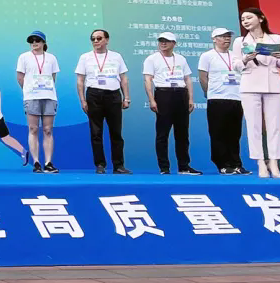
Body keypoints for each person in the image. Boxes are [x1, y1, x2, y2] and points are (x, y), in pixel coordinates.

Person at [233, 8, 280, 179]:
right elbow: (235, 65)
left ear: (261, 18)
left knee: (274, 126)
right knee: (253, 125)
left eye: (249, 17)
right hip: (250, 84)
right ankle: (260, 162)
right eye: (243, 19)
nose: (245, 21)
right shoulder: (240, 41)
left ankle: (274, 162)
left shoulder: (275, 38)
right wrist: (245, 59)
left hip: (273, 84)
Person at [74, 29, 132, 174]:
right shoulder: (85, 57)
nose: (95, 41)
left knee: (116, 132)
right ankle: (100, 165)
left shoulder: (116, 57)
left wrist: (126, 97)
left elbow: (123, 78)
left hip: (113, 95)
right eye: (93, 38)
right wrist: (82, 100)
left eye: (99, 38)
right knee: (96, 132)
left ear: (107, 40)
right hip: (94, 95)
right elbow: (80, 81)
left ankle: (118, 165)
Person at [143, 32, 200, 175]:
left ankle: (184, 166)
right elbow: (148, 80)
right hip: (163, 94)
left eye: (167, 41)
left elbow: (187, 79)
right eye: (161, 40)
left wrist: (190, 98)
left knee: (182, 133)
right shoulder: (152, 59)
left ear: (174, 43)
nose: (163, 43)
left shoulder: (181, 59)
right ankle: (164, 167)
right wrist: (151, 99)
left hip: (181, 94)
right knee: (162, 133)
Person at [199, 28, 248, 175]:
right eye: (223, 36)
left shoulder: (235, 56)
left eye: (228, 36)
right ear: (214, 39)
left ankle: (236, 164)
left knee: (235, 133)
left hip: (236, 98)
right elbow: (203, 77)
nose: (227, 39)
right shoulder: (207, 56)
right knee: (218, 133)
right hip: (217, 98)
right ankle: (222, 164)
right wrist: (209, 93)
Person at [17, 30, 60, 173]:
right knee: (33, 129)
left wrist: (45, 89)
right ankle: (36, 162)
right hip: (31, 97)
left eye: (37, 40)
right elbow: (20, 78)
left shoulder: (51, 58)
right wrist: (29, 91)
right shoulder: (24, 57)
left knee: (48, 130)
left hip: (49, 97)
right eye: (31, 40)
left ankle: (48, 163)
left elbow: (53, 78)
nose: (34, 43)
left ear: (44, 42)